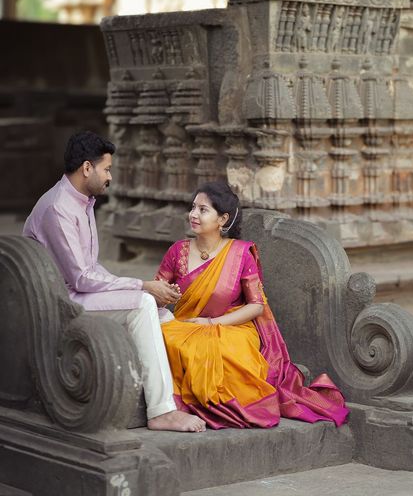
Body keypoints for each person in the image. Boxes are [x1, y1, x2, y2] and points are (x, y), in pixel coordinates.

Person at [23, 131, 206, 433]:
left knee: (164, 314)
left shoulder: (84, 200)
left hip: (79, 292)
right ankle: (161, 411)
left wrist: (141, 286)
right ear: (86, 168)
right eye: (106, 169)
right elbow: (81, 278)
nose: (110, 176)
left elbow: (92, 268)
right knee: (143, 303)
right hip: (61, 302)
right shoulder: (58, 208)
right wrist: (143, 286)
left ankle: (184, 396)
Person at [156, 181, 349, 429]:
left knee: (214, 346)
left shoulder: (240, 253)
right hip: (186, 326)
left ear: (222, 219)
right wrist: (164, 294)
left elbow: (256, 306)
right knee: (163, 335)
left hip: (232, 328)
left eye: (203, 210)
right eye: (193, 207)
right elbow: (156, 292)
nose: (193, 214)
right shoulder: (177, 252)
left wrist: (212, 323)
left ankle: (217, 403)